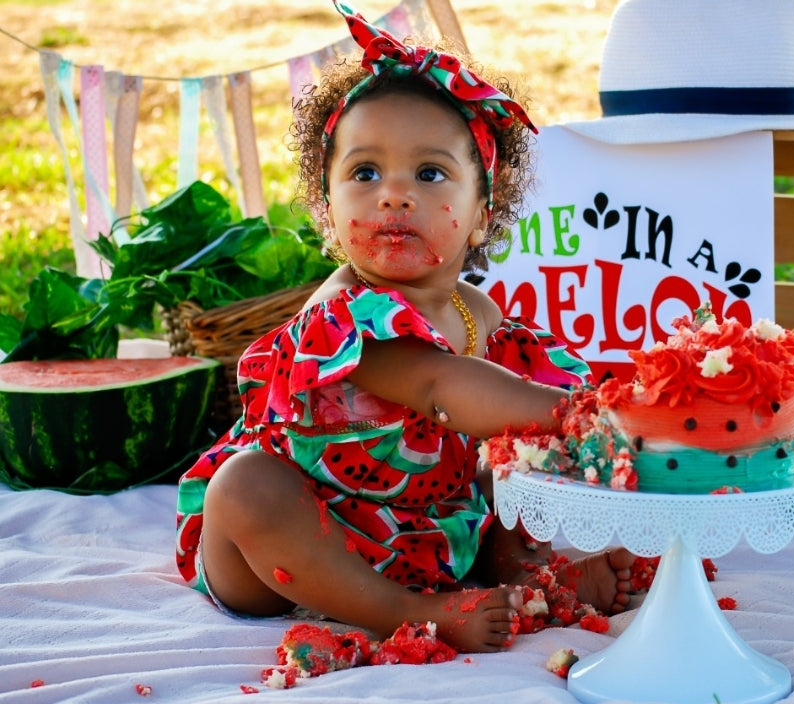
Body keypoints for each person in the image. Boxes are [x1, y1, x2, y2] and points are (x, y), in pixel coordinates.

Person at [174, 1, 633, 654]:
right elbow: (442, 384)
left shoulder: (482, 317)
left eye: (429, 173)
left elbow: (508, 402)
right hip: (284, 549)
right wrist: (579, 414)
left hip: (424, 528)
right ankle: (409, 611)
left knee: (503, 462)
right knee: (244, 485)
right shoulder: (344, 314)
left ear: (481, 214)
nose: (394, 194)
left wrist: (605, 409)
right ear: (328, 211)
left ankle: (526, 577)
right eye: (364, 173)